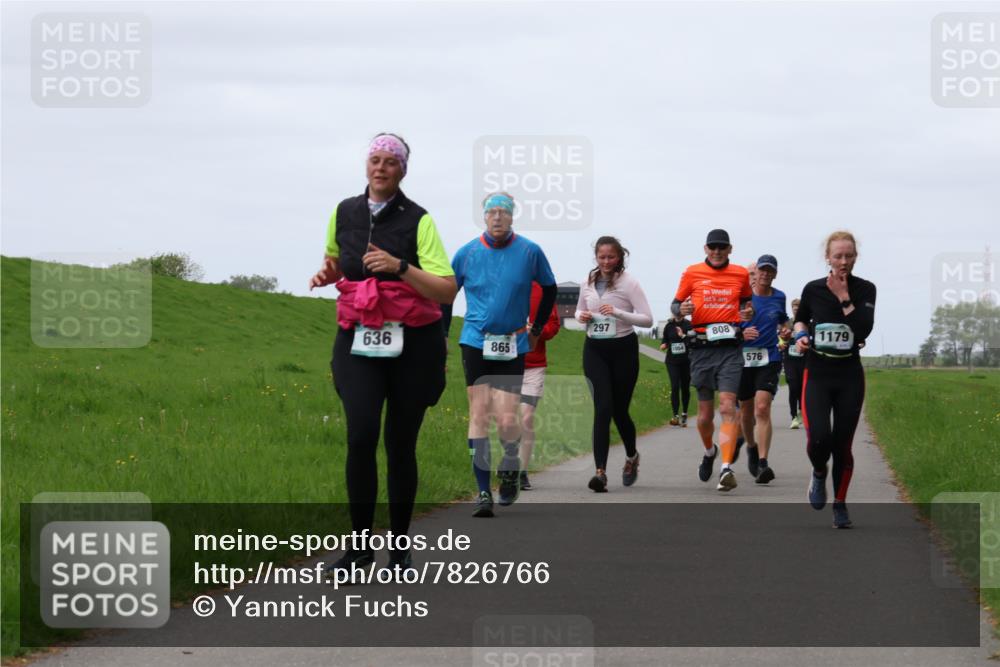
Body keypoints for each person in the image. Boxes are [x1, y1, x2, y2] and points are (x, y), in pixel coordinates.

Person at [309, 133, 457, 572]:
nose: (380, 167)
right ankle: (358, 550)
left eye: (390, 161)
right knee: (359, 437)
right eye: (374, 159)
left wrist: (400, 267)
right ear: (365, 166)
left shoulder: (420, 220)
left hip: (414, 342)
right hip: (358, 335)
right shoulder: (344, 212)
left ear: (402, 171)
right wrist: (326, 273)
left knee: (399, 443)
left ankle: (399, 546)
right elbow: (337, 260)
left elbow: (446, 289)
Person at [452, 192, 557, 517]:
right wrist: (440, 336)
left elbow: (550, 287)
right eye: (492, 212)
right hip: (475, 340)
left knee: (509, 418)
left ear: (512, 217)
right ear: (484, 217)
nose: (497, 217)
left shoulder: (529, 252)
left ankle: (510, 463)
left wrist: (537, 327)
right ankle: (484, 492)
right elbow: (445, 293)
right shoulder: (467, 253)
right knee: (480, 413)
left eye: (503, 212)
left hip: (512, 343)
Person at [793, 231, 876, 529]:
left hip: (849, 376)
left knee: (842, 444)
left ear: (856, 257)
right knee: (818, 439)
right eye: (838, 255)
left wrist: (843, 297)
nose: (843, 261)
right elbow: (800, 318)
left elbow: (863, 329)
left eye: (849, 255)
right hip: (817, 373)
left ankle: (840, 504)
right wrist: (801, 333)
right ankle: (818, 473)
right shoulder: (813, 289)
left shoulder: (866, 289)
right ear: (827, 257)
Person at [671, 229, 753, 492]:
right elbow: (675, 305)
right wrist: (681, 310)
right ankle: (709, 452)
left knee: (729, 406)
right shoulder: (692, 272)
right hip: (702, 350)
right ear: (705, 249)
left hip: (730, 349)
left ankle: (726, 468)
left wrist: (747, 312)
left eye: (722, 247)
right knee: (705, 415)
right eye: (712, 247)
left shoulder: (740, 274)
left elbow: (747, 304)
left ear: (730, 249)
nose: (717, 252)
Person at [576, 236, 654, 492]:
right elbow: (578, 311)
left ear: (619, 257)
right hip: (595, 349)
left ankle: (631, 456)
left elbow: (647, 320)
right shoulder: (588, 281)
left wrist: (619, 313)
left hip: (623, 350)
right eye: (601, 257)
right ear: (596, 257)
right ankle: (600, 472)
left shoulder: (629, 283)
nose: (606, 262)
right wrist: (582, 316)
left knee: (620, 411)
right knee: (603, 407)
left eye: (611, 257)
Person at [738, 254, 788, 484]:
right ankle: (750, 446)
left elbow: (783, 320)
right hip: (743, 360)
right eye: (762, 270)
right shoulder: (742, 297)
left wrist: (786, 330)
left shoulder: (779, 297)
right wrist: (741, 332)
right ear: (755, 273)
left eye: (770, 271)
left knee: (761, 408)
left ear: (775, 274)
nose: (766, 274)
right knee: (746, 412)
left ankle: (763, 462)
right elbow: (728, 323)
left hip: (769, 358)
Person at [518, 281, 562, 491]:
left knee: (526, 418)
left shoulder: (542, 291)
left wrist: (535, 330)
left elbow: (554, 326)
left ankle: (521, 471)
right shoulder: (503, 283)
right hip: (504, 363)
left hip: (533, 366)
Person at [659, 313, 692, 426]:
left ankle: (684, 414)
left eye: (679, 312)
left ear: (682, 313)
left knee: (685, 387)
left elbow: (692, 341)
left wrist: (682, 335)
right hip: (672, 361)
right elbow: (665, 339)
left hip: (686, 362)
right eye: (675, 312)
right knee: (674, 386)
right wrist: (664, 344)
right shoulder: (669, 326)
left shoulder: (688, 325)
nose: (676, 314)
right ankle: (675, 416)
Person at [779, 298, 806, 429]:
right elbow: (779, 338)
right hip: (789, 360)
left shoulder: (806, 323)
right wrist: (781, 344)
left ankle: (801, 409)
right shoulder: (787, 323)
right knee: (793, 386)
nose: (796, 308)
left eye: (798, 306)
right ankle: (794, 416)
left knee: (802, 387)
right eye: (794, 306)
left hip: (804, 359)